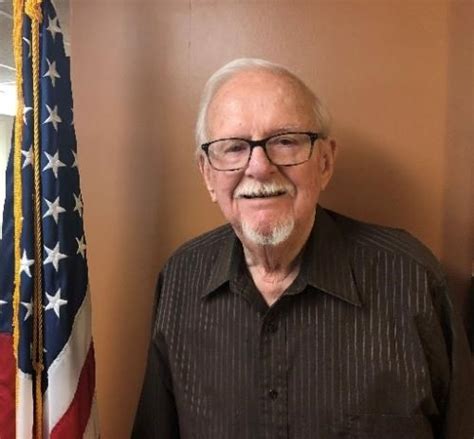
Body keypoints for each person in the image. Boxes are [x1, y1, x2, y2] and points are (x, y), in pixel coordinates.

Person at [132, 58, 473, 438]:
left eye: (285, 141)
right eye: (233, 147)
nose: (259, 167)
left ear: (324, 162)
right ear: (208, 174)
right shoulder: (180, 279)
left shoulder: (410, 278)